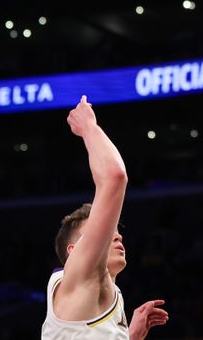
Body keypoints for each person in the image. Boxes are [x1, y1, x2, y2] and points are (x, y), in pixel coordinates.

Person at [42, 96, 168, 339]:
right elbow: (114, 176)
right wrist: (88, 126)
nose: (117, 235)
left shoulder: (100, 295)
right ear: (73, 251)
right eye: (104, 232)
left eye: (115, 231)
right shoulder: (79, 276)